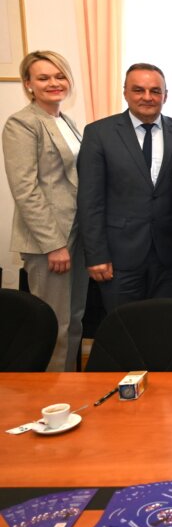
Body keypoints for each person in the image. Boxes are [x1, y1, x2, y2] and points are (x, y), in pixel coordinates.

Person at [77, 63, 172, 311]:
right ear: (125, 93)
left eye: (155, 91)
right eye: (138, 90)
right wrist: (96, 255)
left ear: (165, 95)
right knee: (124, 331)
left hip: (169, 257)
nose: (147, 97)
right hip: (119, 258)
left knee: (165, 330)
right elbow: (90, 200)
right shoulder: (99, 133)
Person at [2, 51, 87, 371]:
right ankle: (51, 399)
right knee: (55, 323)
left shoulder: (65, 120)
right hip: (50, 242)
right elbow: (25, 190)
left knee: (75, 319)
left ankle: (69, 388)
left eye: (59, 76)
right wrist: (54, 243)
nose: (54, 83)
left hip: (76, 233)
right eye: (43, 77)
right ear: (28, 84)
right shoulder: (22, 123)